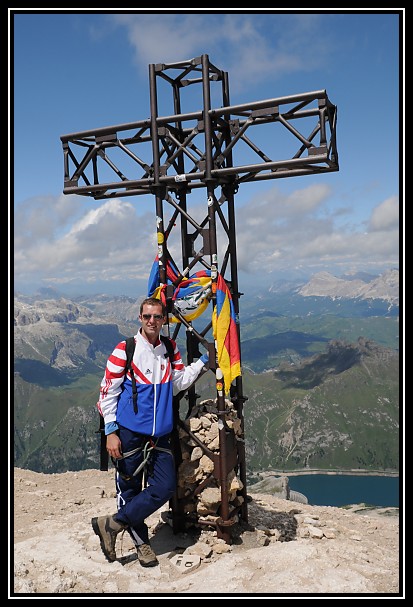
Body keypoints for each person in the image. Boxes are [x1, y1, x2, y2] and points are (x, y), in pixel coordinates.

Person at [91, 296, 209, 567]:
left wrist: (203, 362)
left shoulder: (170, 348)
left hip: (160, 434)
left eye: (157, 316)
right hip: (129, 433)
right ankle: (142, 544)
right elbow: (107, 392)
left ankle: (113, 524)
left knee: (164, 487)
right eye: (147, 316)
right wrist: (111, 432)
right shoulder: (125, 349)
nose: (152, 321)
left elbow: (177, 382)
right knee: (130, 489)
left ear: (164, 319)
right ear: (140, 318)